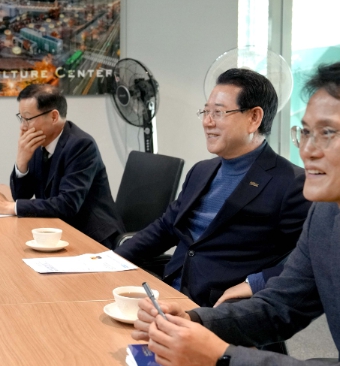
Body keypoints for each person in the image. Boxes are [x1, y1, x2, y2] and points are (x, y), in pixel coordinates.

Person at [132, 63, 340, 366]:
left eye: (327, 133)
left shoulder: (295, 187)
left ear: (254, 118)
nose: (307, 150)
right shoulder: (325, 215)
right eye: (305, 132)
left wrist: (224, 359)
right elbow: (281, 305)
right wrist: (193, 319)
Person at [114, 68, 310, 307]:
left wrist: (255, 283)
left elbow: (310, 260)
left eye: (218, 112)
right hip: (167, 291)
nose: (207, 122)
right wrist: (111, 261)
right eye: (206, 112)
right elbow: (166, 227)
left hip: (219, 308)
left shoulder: (291, 183)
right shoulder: (202, 170)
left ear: (254, 118)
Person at [0, 84, 125, 248]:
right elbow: (21, 196)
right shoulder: (39, 142)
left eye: (28, 119)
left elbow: (67, 204)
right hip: (56, 231)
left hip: (91, 237)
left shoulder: (81, 145)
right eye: (21, 118)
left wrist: (10, 207)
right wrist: (21, 162)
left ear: (53, 117)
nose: (23, 126)